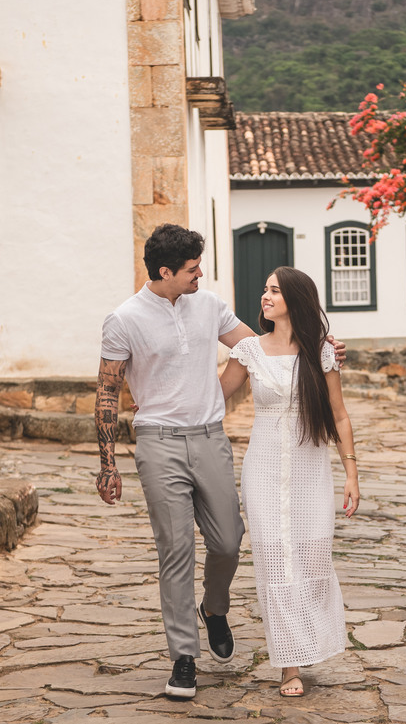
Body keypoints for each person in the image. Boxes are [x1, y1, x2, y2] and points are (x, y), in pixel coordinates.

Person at [95, 225, 344, 699]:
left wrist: (322, 349)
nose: (200, 274)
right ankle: (184, 659)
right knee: (176, 550)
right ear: (166, 272)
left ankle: (214, 607)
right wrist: (108, 463)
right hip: (158, 442)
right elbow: (107, 391)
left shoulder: (209, 306)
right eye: (191, 269)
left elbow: (271, 351)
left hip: (210, 438)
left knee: (229, 541)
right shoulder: (123, 319)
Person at [218, 266, 361, 699]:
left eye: (274, 291)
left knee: (313, 557)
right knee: (276, 562)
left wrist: (352, 473)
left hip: (310, 470)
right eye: (264, 289)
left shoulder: (321, 351)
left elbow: (339, 415)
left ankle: (309, 639)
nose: (265, 297)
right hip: (262, 470)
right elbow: (213, 395)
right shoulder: (249, 351)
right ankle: (289, 664)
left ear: (294, 299)